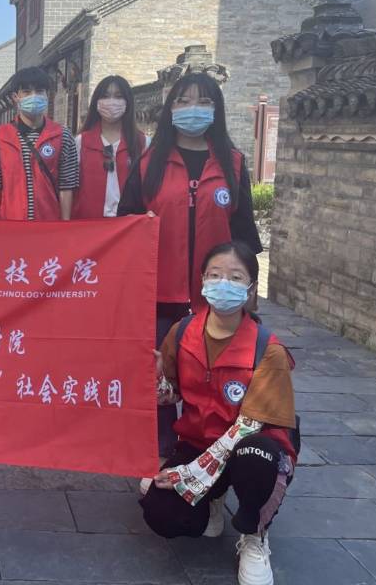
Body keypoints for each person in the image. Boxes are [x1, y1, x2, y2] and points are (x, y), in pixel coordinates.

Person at [118, 72, 261, 462]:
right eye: (182, 101)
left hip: (216, 296)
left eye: (202, 101)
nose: (192, 109)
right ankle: (162, 455)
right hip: (159, 294)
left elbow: (245, 233)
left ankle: (207, 456)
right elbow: (124, 223)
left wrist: (247, 294)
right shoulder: (150, 163)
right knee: (157, 377)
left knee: (213, 378)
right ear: (170, 109)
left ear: (216, 109)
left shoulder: (233, 163)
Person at [141, 241, 297, 585]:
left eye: (235, 277)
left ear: (250, 288)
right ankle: (213, 499)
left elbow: (248, 427)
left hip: (249, 448)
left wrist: (187, 477)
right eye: (214, 275)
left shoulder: (267, 350)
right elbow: (172, 394)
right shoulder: (183, 332)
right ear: (202, 281)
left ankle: (254, 533)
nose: (223, 283)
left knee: (256, 456)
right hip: (199, 442)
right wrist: (156, 380)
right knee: (160, 513)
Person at [0, 66, 79, 220]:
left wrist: (64, 226)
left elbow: (67, 187)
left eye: (39, 91)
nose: (34, 96)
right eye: (26, 92)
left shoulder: (63, 136)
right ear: (15, 97)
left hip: (49, 225)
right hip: (11, 226)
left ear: (47, 95)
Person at [73, 75, 148, 218]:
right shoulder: (81, 142)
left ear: (128, 102)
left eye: (118, 96)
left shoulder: (143, 143)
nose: (112, 101)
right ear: (96, 101)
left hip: (127, 224)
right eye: (106, 96)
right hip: (89, 224)